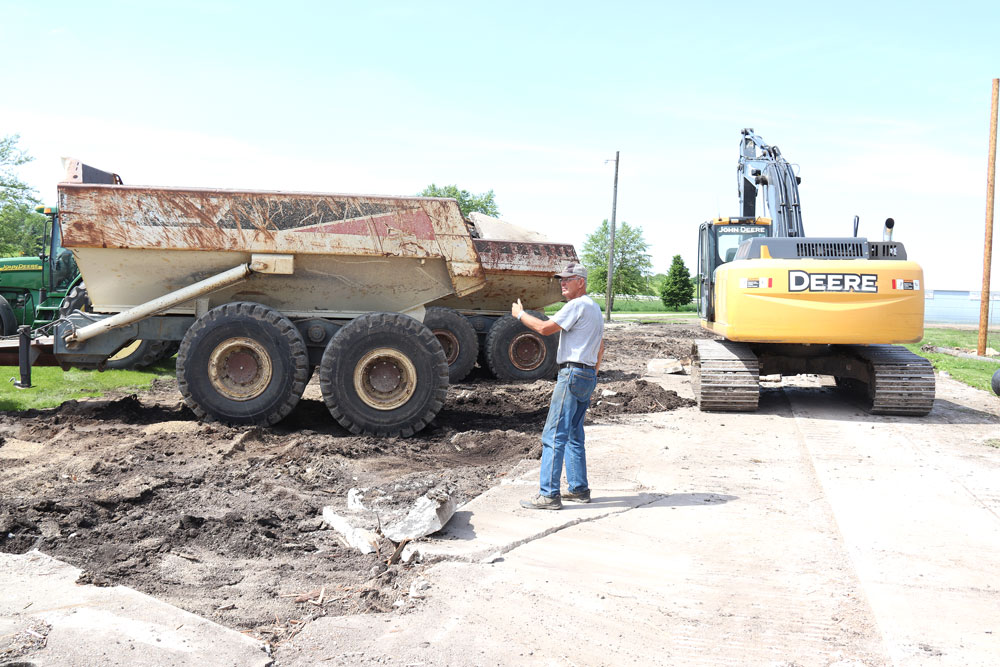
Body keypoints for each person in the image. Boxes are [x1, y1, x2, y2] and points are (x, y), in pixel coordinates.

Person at [512, 262, 605, 510]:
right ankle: (579, 488)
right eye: (561, 279)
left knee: (554, 434)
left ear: (581, 282)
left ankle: (549, 495)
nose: (562, 283)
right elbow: (601, 344)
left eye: (568, 279)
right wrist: (593, 374)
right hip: (586, 374)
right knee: (575, 434)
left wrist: (520, 315)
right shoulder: (595, 308)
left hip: (572, 373)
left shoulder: (576, 305)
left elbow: (544, 328)